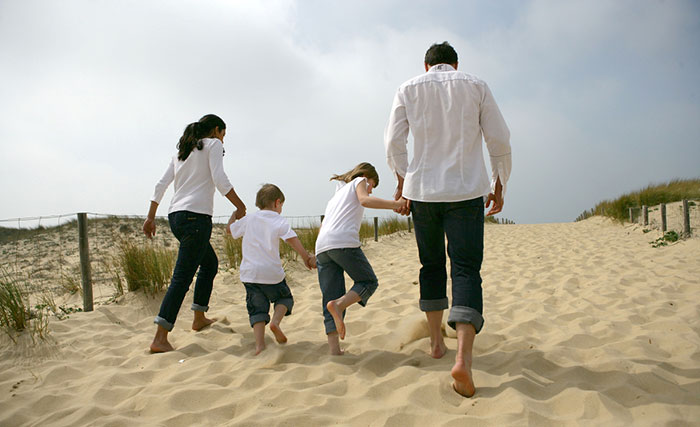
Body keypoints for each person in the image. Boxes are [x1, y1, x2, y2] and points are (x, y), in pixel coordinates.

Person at [384, 42, 511, 397]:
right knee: (466, 269)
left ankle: (437, 343)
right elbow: (499, 139)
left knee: (431, 265)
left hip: (423, 193)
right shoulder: (476, 85)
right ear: (455, 64)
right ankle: (464, 360)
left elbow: (393, 141)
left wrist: (403, 179)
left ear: (426, 66)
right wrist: (499, 184)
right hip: (466, 190)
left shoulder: (408, 88)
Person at [143, 114, 247, 353]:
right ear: (216, 130)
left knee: (209, 263)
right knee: (182, 278)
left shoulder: (182, 153)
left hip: (176, 217)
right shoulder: (213, 144)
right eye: (223, 133)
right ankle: (160, 337)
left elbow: (161, 185)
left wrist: (150, 216)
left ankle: (199, 317)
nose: (223, 139)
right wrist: (239, 206)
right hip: (196, 218)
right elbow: (220, 179)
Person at [315, 162, 407, 355]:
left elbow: (325, 224)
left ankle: (334, 350)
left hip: (322, 247)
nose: (370, 189)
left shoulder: (336, 195)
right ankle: (339, 305)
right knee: (368, 281)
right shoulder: (361, 180)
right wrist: (396, 205)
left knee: (330, 295)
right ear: (367, 175)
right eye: (372, 185)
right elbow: (365, 200)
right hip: (342, 241)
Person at [228, 184, 316, 355]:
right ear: (277, 203)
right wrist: (306, 257)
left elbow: (229, 231)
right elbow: (292, 240)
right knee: (284, 298)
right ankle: (275, 322)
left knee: (257, 309)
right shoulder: (279, 220)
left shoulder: (249, 219)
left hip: (250, 275)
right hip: (272, 274)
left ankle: (260, 346)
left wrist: (233, 215)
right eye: (281, 205)